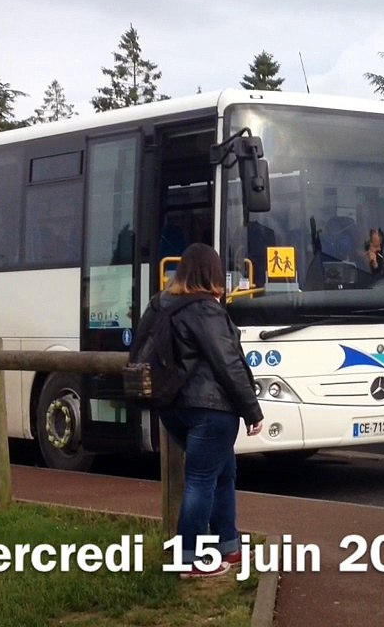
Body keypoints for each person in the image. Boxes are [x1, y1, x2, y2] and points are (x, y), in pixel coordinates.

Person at [150, 243, 264, 578]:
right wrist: (252, 411)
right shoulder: (207, 310)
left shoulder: (159, 305)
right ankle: (192, 559)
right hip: (211, 410)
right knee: (201, 480)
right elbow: (228, 363)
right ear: (213, 274)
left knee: (223, 473)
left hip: (172, 407)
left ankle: (228, 546)